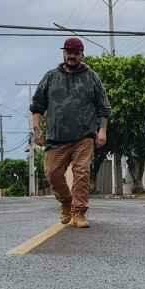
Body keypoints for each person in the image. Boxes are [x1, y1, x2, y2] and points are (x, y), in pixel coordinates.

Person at [30, 37, 110, 228]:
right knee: (52, 174)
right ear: (63, 53)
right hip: (56, 138)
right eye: (68, 52)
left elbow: (104, 108)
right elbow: (37, 106)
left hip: (84, 136)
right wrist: (37, 131)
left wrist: (102, 131)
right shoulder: (50, 77)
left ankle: (79, 212)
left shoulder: (92, 77)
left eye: (76, 53)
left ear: (82, 55)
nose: (72, 56)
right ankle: (66, 202)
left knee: (81, 172)